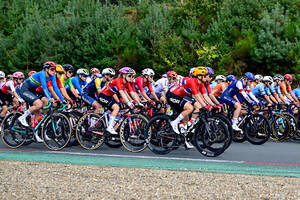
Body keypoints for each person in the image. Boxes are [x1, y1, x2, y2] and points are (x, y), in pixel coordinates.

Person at [98, 67, 138, 135]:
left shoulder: (127, 83)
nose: (131, 77)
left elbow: (132, 93)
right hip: (102, 95)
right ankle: (109, 127)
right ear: (123, 75)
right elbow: (121, 93)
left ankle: (109, 130)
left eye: (132, 76)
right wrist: (128, 103)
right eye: (129, 75)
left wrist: (138, 102)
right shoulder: (118, 80)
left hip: (109, 97)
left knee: (119, 113)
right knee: (116, 107)